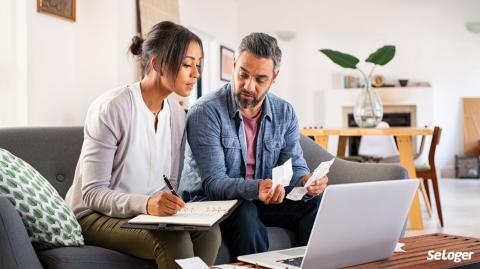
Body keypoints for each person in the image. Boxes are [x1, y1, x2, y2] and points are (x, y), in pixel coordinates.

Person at [65, 21, 221, 269]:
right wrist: (147, 204)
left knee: (210, 233)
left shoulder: (178, 115)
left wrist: (174, 206)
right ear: (158, 64)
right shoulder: (112, 108)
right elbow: (93, 193)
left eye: (198, 66)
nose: (196, 74)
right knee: (174, 241)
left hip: (146, 216)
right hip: (95, 216)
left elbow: (169, 183)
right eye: (187, 64)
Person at [179, 32, 328, 258]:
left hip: (260, 198)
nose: (248, 86)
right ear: (234, 65)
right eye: (243, 74)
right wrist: (257, 188)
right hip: (211, 202)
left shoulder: (284, 112)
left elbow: (295, 164)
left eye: (260, 80)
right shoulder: (206, 111)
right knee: (246, 212)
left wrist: (306, 180)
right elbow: (213, 183)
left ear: (274, 78)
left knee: (315, 204)